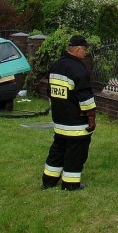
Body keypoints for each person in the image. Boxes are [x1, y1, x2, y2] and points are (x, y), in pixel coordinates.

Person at [42, 35, 97, 191]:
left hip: (59, 120)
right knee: (76, 152)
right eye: (85, 49)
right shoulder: (78, 69)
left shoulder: (56, 65)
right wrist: (91, 118)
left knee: (58, 149)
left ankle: (49, 180)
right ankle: (70, 184)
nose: (85, 53)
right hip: (76, 123)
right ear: (78, 49)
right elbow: (85, 97)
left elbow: (50, 91)